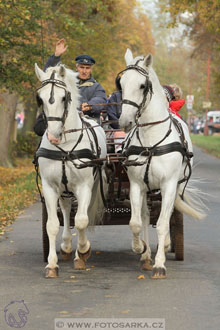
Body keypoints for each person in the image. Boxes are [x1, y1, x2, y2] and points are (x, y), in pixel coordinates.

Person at [34, 38, 107, 136]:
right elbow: (48, 75)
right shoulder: (66, 80)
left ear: (91, 69)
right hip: (61, 119)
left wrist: (90, 105)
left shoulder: (96, 86)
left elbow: (101, 99)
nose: (84, 71)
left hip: (85, 123)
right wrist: (56, 56)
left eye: (87, 68)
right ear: (76, 67)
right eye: (81, 67)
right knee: (40, 128)